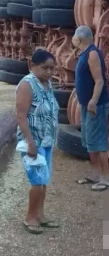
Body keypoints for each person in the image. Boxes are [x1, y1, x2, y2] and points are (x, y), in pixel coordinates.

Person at [16, 49, 60, 234]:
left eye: (52, 68)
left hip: (46, 141)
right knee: (36, 181)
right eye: (44, 68)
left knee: (43, 181)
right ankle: (30, 217)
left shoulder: (47, 84)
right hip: (32, 142)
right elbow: (21, 116)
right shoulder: (27, 85)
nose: (49, 72)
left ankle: (40, 215)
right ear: (32, 65)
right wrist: (31, 143)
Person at [72, 25, 109, 191]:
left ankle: (107, 179)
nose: (72, 39)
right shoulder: (82, 53)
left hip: (95, 105)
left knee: (98, 141)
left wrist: (93, 101)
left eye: (74, 36)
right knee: (89, 141)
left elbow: (99, 81)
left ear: (80, 39)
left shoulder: (92, 54)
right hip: (87, 104)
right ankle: (96, 174)